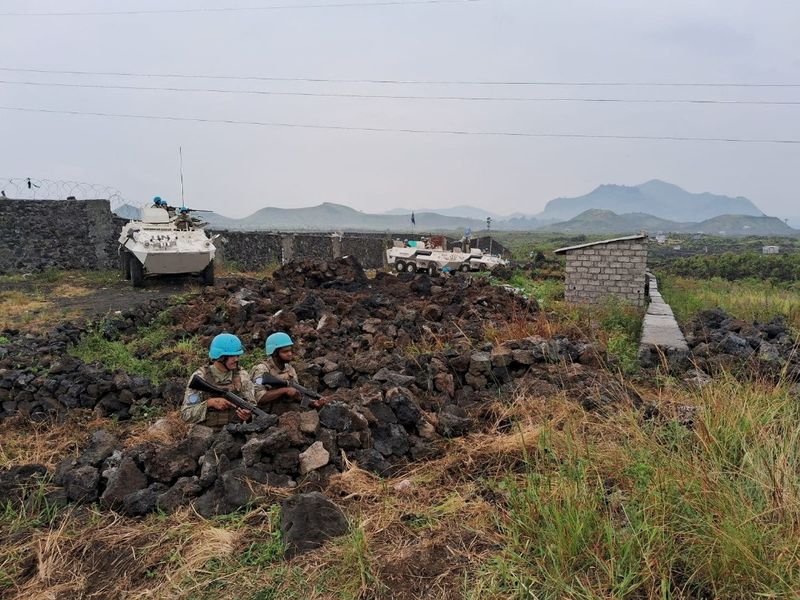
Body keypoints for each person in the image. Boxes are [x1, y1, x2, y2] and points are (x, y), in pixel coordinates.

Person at [181, 333, 256, 427]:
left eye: (237, 355)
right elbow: (186, 415)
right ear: (220, 357)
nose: (236, 359)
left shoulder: (242, 375)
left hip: (234, 431)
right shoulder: (200, 377)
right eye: (232, 356)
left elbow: (252, 407)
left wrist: (247, 416)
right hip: (204, 433)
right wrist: (210, 403)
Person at [251, 332, 326, 412]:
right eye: (285, 352)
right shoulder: (262, 369)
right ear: (275, 353)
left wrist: (313, 402)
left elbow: (297, 395)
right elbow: (259, 398)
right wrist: (284, 390)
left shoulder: (289, 369)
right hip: (264, 413)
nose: (290, 354)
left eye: (290, 350)